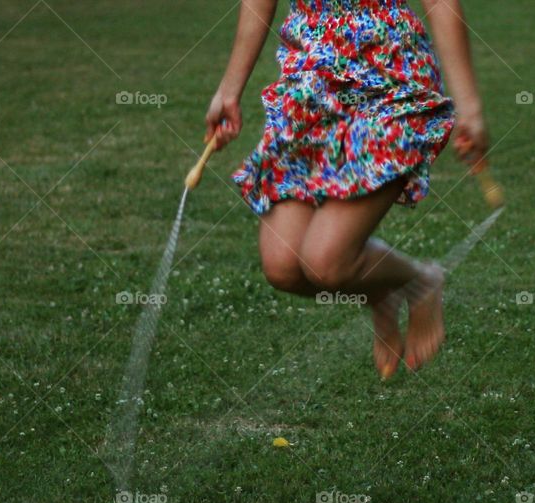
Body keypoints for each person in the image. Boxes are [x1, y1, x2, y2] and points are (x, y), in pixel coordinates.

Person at [204, 0, 489, 378]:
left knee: (326, 263)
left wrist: (469, 106)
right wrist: (229, 89)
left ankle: (420, 281)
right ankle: (379, 293)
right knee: (283, 267)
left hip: (387, 75)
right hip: (310, 82)